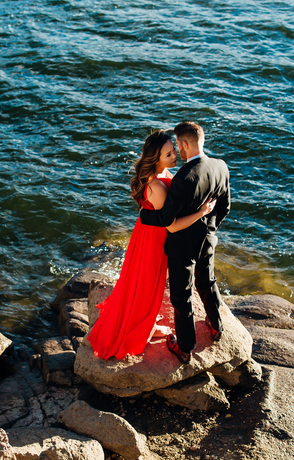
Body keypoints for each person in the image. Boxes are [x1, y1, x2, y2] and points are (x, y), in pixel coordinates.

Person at [88, 130, 216, 361]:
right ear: (156, 159)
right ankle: (138, 327)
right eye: (169, 153)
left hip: (149, 233)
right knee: (147, 286)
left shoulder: (162, 172)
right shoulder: (155, 186)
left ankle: (144, 322)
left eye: (174, 150)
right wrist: (202, 212)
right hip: (153, 240)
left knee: (149, 284)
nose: (175, 155)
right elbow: (173, 226)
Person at [138, 121, 230, 363]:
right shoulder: (221, 166)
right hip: (208, 239)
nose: (177, 150)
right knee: (207, 281)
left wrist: (145, 215)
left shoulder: (183, 178)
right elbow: (225, 207)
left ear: (186, 143)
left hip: (182, 245)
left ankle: (185, 348)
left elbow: (167, 219)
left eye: (178, 145)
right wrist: (209, 230)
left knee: (182, 295)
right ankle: (217, 326)